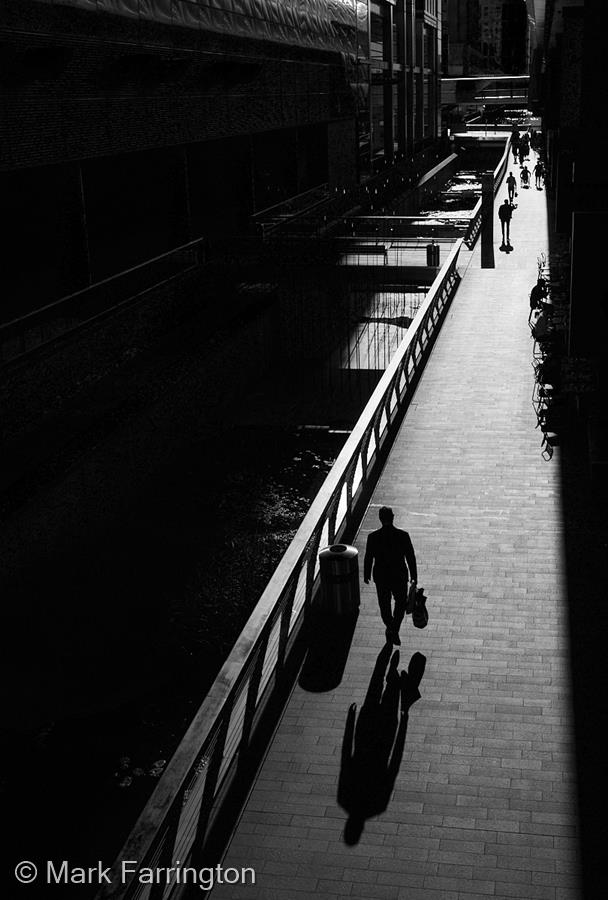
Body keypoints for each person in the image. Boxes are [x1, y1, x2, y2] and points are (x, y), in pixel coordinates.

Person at [363, 506, 417, 646]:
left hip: (382, 577)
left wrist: (366, 574)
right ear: (392, 517)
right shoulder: (403, 536)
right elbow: (410, 557)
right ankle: (395, 629)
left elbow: (369, 557)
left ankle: (390, 626)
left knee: (384, 605)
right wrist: (414, 575)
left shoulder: (373, 537)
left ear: (380, 519)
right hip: (399, 575)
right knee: (400, 604)